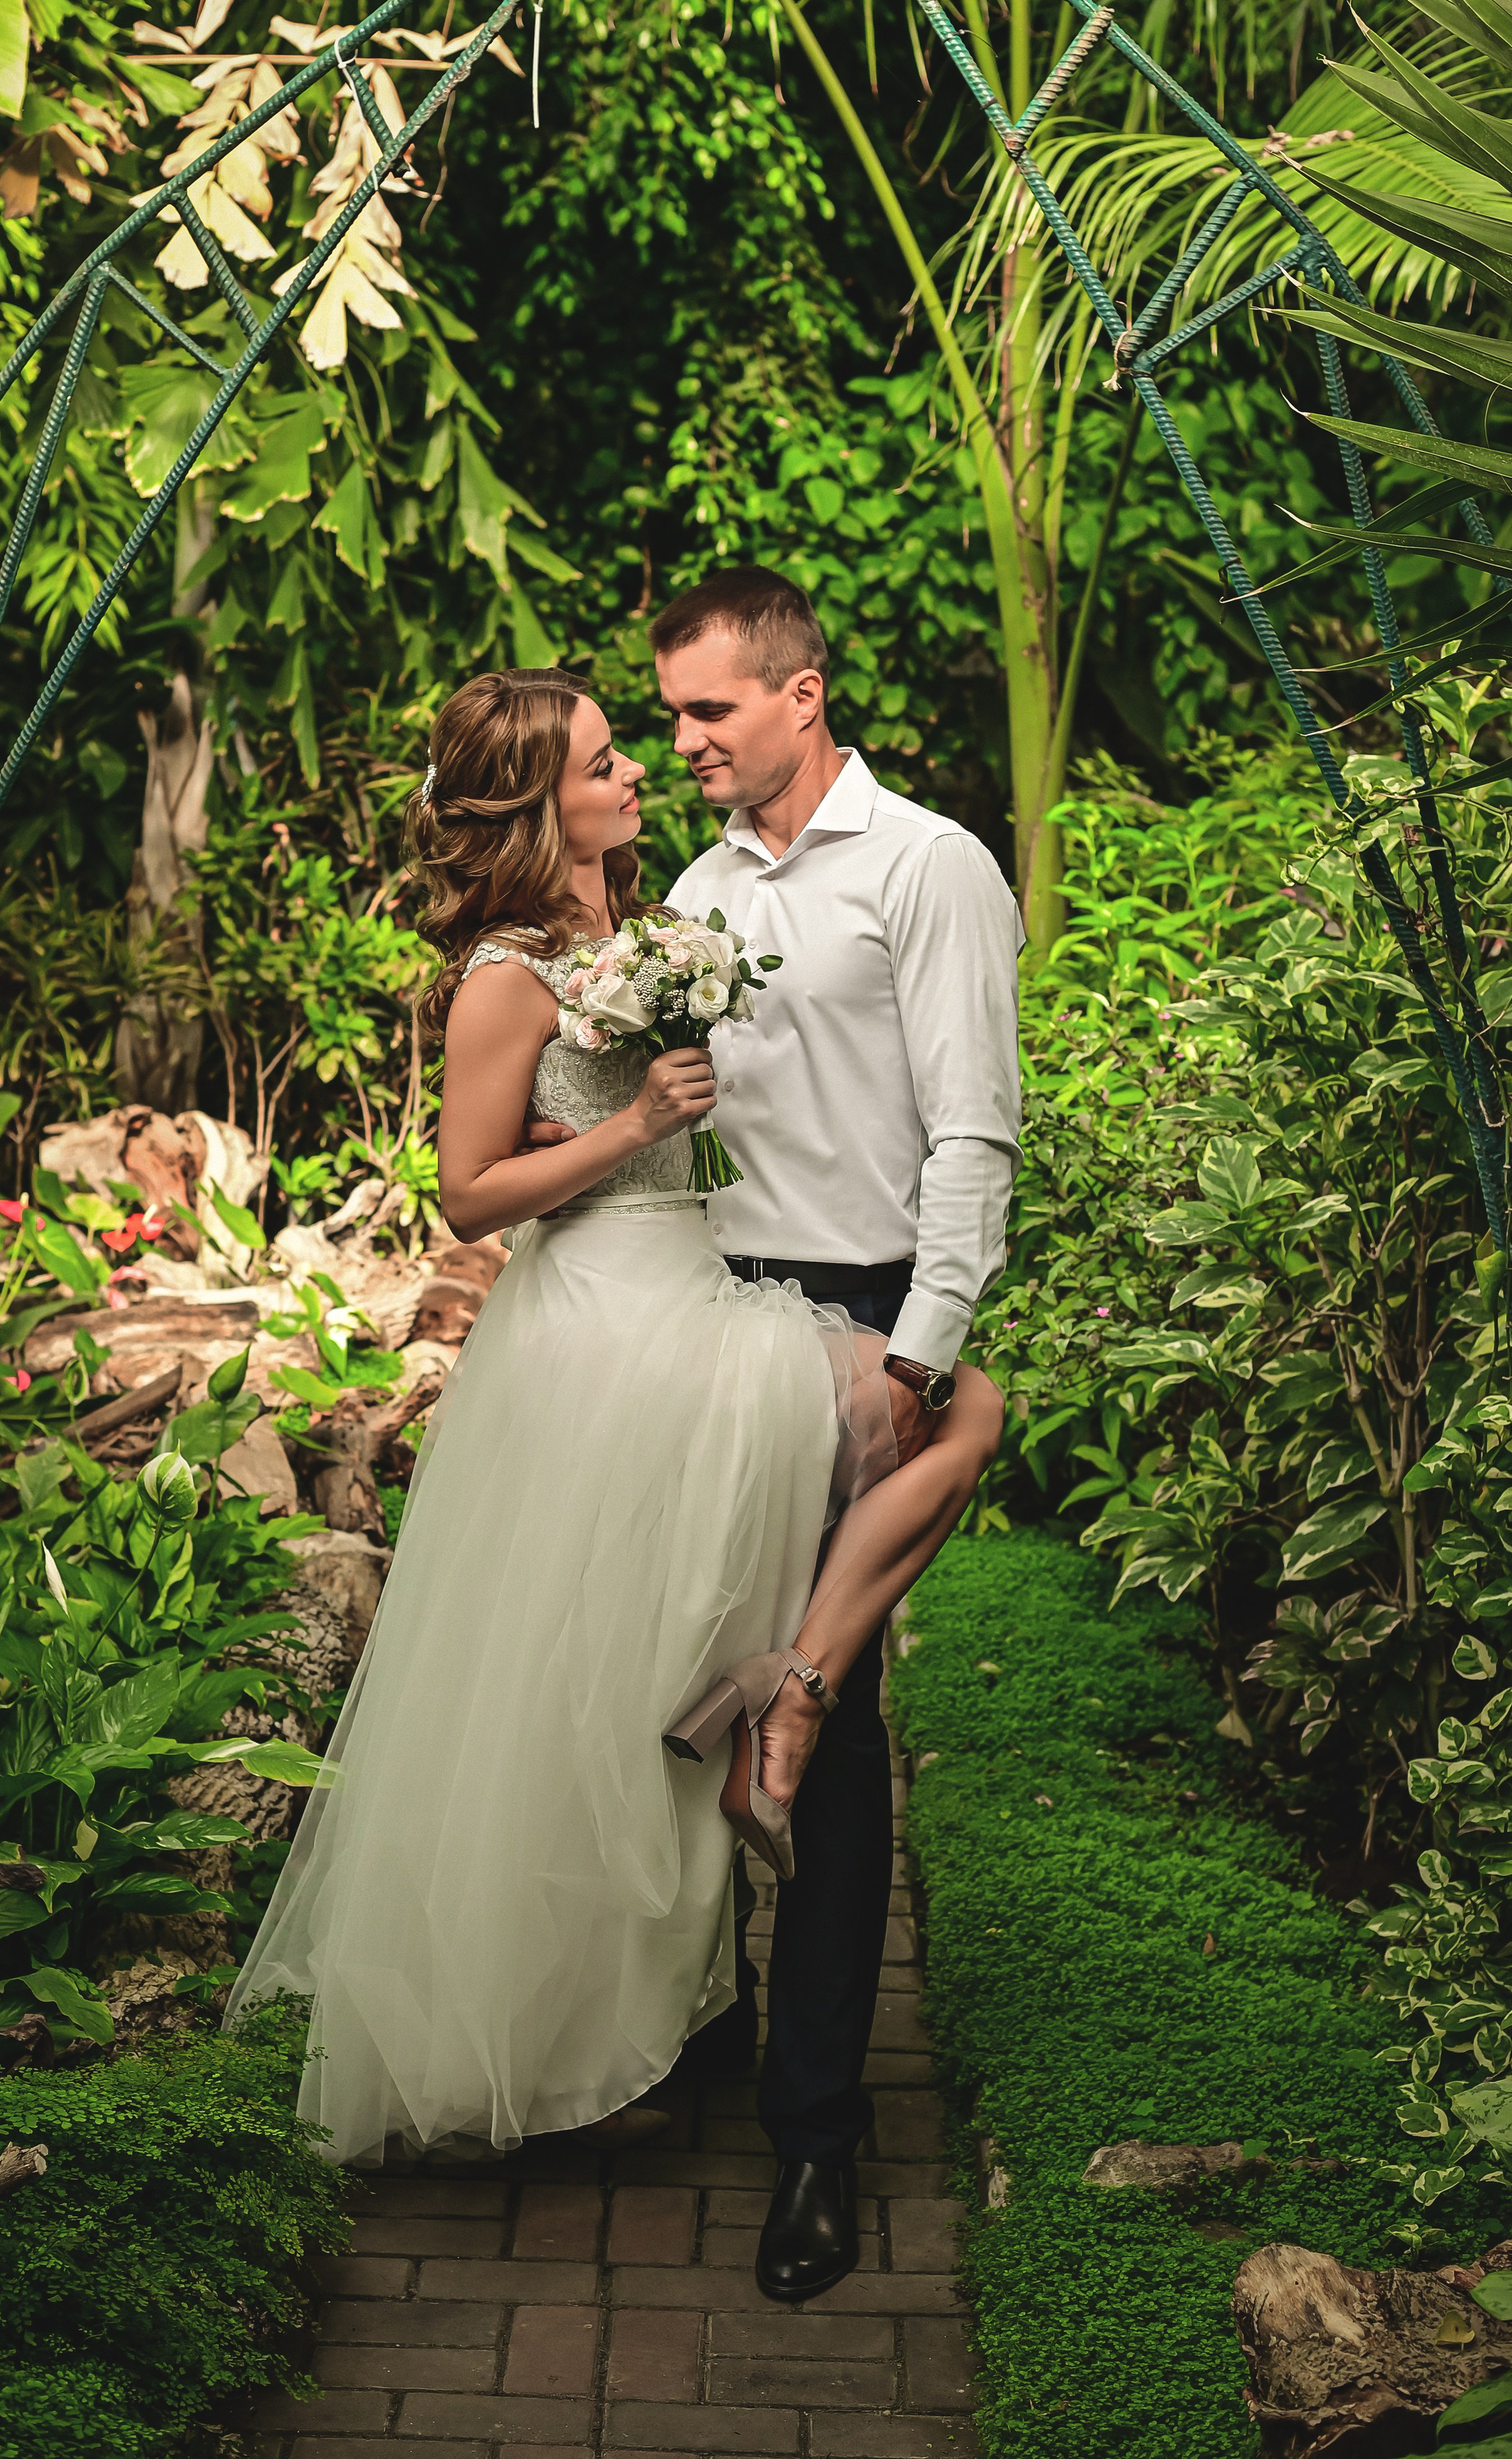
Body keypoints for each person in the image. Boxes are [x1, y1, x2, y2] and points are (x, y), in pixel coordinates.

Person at [226, 665, 1002, 2181]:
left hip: (685, 1290)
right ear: (539, 805)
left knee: (612, 1679)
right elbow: (466, 1194)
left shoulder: (644, 928)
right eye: (599, 762)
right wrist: (635, 1124)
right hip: (611, 1326)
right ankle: (787, 1700)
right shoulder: (508, 969)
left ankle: (776, 1702)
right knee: (949, 1407)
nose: (637, 769)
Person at [657, 566, 1024, 2300]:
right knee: (683, 1681)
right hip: (705, 1321)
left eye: (708, 708)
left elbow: (973, 1130)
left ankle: (814, 2136)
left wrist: (920, 1350)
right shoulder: (697, 890)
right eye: (669, 713)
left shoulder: (928, 867)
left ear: (800, 696)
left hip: (863, 1320)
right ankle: (681, 2039)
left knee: (832, 1724)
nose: (683, 739)